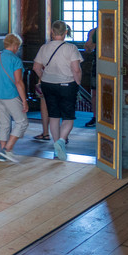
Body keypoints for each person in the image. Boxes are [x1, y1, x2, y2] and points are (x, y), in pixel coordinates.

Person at [33, 20, 82, 161]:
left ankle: (56, 146)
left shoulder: (44, 47)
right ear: (65, 32)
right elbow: (76, 69)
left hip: (48, 84)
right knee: (68, 117)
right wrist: (77, 82)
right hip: (67, 84)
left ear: (52, 32)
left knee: (53, 116)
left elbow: (36, 67)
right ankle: (61, 141)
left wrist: (45, 77)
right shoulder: (71, 48)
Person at [0, 33, 29, 163]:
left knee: (4, 124)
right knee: (22, 122)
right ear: (15, 45)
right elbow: (18, 82)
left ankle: (3, 153)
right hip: (10, 95)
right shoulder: (15, 60)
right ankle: (7, 149)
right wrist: (24, 100)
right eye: (18, 46)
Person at [83, 26, 98, 128]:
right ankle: (96, 117)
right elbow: (87, 48)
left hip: (113, 65)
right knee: (95, 93)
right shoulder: (94, 32)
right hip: (97, 65)